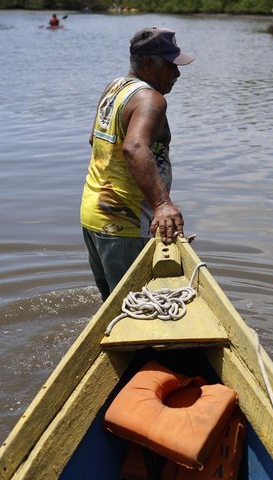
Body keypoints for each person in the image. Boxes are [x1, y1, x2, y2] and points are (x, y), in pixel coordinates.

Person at [80, 27, 194, 301]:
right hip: (126, 224)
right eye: (170, 66)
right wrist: (162, 205)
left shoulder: (115, 88)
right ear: (148, 64)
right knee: (138, 314)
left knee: (117, 309)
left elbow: (93, 139)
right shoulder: (150, 99)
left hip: (95, 215)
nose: (177, 74)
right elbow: (133, 147)